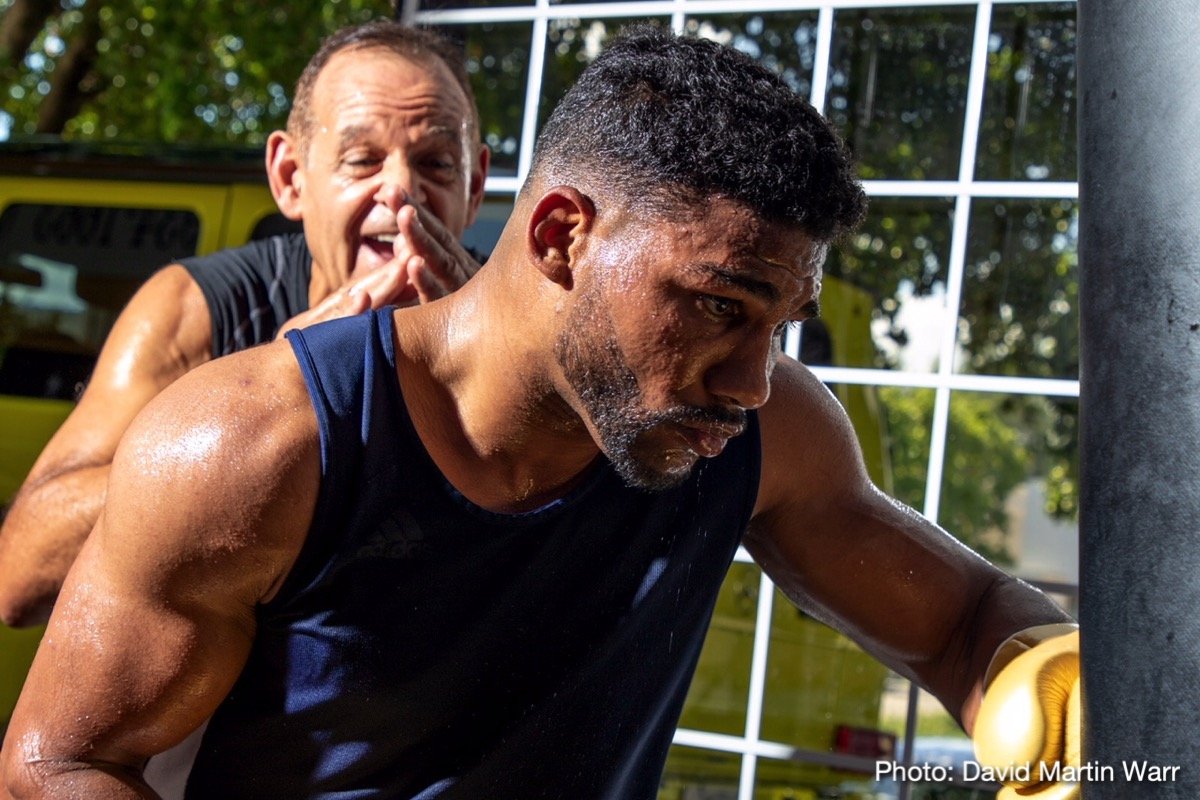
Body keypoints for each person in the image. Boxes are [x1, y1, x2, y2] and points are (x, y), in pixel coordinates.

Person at [1, 28, 1079, 800]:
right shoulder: (251, 431)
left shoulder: (763, 427)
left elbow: (962, 617)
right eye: (719, 304)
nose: (752, 377)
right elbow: (60, 758)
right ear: (560, 232)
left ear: (480, 179)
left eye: (783, 322)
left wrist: (1061, 695)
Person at [0, 20, 489, 627]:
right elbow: (21, 572)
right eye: (362, 159)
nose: (401, 190)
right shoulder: (197, 309)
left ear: (474, 185)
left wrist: (497, 366)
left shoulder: (522, 325)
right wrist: (261, 393)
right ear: (290, 177)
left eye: (437, 162)